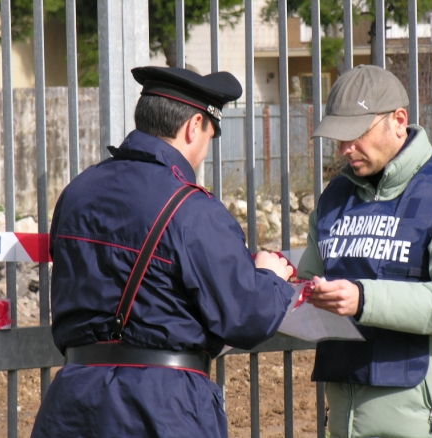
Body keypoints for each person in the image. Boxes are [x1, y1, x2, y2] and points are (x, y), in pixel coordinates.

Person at [31, 66, 295, 438]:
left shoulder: (78, 192)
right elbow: (245, 317)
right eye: (210, 135)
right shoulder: (192, 209)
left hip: (73, 401)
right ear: (194, 126)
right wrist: (270, 277)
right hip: (161, 408)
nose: (205, 149)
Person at [297, 64, 432, 437]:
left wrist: (363, 298)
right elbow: (309, 280)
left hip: (427, 425)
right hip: (347, 422)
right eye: (338, 138)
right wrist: (287, 281)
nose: (345, 149)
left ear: (399, 120)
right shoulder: (335, 198)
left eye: (356, 134)